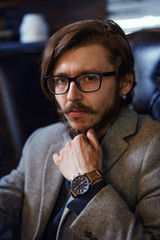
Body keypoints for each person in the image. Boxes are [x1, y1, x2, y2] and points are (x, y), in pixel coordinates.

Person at [0, 19, 160, 240]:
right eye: (61, 80)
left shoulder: (154, 147)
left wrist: (87, 181)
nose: (71, 96)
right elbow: (7, 197)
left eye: (90, 78)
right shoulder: (42, 139)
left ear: (125, 83)